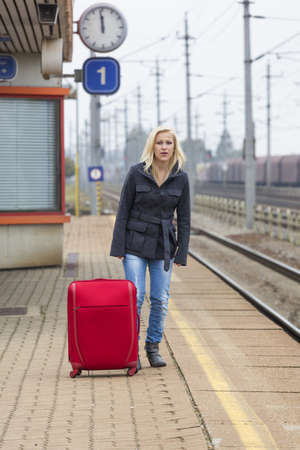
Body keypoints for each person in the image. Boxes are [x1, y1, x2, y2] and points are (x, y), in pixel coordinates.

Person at [110, 125, 190, 369]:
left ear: (174, 147)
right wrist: (119, 247)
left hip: (163, 247)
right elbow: (123, 210)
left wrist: (182, 252)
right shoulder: (136, 173)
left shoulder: (181, 178)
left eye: (168, 143)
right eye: (160, 143)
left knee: (160, 298)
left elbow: (184, 218)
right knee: (134, 298)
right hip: (134, 243)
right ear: (152, 147)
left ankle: (152, 347)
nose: (164, 147)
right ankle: (130, 350)